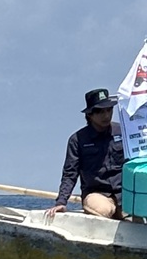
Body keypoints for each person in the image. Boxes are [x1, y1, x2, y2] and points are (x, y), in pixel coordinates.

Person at [50, 88, 125, 217]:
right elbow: (70, 173)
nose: (106, 115)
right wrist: (61, 202)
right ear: (90, 114)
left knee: (137, 219)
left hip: (124, 194)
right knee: (103, 210)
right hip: (96, 194)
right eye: (100, 112)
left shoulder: (124, 132)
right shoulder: (78, 140)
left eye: (109, 110)